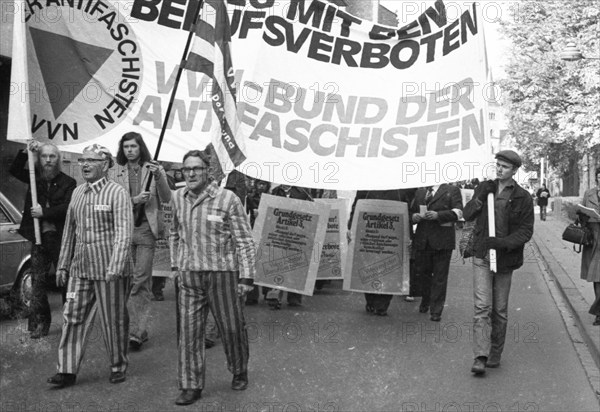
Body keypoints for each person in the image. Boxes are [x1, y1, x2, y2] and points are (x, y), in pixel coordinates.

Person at [170, 150, 256, 405]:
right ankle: (190, 385)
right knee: (189, 332)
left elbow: (244, 241)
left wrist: (246, 278)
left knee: (231, 328)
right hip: (190, 277)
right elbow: (173, 233)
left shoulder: (227, 199)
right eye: (187, 169)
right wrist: (176, 265)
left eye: (197, 168)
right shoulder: (177, 198)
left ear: (209, 172)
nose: (191, 173)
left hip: (223, 276)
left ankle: (239, 369)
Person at [47, 144, 133, 388]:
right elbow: (69, 232)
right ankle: (66, 371)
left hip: (110, 271)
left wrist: (115, 268)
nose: (84, 164)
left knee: (112, 320)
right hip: (80, 269)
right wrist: (63, 265)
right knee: (72, 317)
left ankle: (117, 366)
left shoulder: (117, 193)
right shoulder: (77, 193)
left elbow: (123, 234)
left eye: (91, 160)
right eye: (82, 160)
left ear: (105, 165)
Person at [463, 150, 534, 375]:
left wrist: (502, 243)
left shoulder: (523, 197)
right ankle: (480, 356)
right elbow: (467, 215)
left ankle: (495, 351)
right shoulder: (486, 188)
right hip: (482, 255)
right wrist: (480, 197)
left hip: (505, 259)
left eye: (504, 166)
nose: (499, 169)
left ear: (514, 170)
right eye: (498, 165)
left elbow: (526, 231)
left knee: (499, 310)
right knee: (482, 306)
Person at [9, 141, 77, 339]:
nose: (48, 160)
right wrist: (26, 151)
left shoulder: (68, 182)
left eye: (52, 156)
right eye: (44, 156)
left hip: (60, 239)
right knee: (37, 283)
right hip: (38, 239)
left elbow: (68, 207)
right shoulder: (34, 177)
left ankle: (70, 322)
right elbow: (14, 170)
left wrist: (44, 212)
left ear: (58, 159)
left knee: (65, 281)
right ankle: (41, 323)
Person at [111, 132, 171, 351]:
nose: (129, 150)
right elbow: (110, 201)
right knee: (124, 281)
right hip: (123, 231)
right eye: (126, 146)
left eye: (133, 146)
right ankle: (128, 327)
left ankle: (137, 331)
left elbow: (167, 198)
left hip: (146, 230)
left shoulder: (152, 169)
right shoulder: (114, 172)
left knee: (141, 280)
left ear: (140, 148)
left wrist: (160, 176)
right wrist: (133, 200)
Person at [348, 189, 414, 316]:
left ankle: (382, 305)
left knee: (390, 270)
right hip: (369, 235)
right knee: (368, 266)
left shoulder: (401, 190)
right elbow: (356, 208)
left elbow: (407, 213)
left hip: (391, 237)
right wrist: (351, 227)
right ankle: (371, 300)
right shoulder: (366, 187)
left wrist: (408, 235)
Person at [411, 184, 463, 322]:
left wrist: (438, 215)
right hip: (423, 241)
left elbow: (459, 213)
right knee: (423, 274)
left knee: (440, 277)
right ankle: (426, 300)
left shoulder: (452, 190)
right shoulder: (420, 191)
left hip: (442, 241)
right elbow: (411, 211)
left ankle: (436, 311)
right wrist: (414, 217)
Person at [265, 184, 312, 308]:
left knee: (295, 264)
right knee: (276, 263)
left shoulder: (303, 191)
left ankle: (294, 297)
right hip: (279, 232)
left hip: (297, 234)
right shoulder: (275, 192)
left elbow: (313, 210)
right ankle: (274, 295)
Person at [245, 179, 271, 305]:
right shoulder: (250, 197)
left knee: (267, 264)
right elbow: (245, 214)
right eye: (259, 184)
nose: (261, 186)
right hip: (254, 231)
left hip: (268, 232)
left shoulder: (272, 198)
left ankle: (268, 292)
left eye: (264, 184)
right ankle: (252, 295)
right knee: (254, 263)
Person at [580, 170, 600, 326]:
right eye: (599, 178)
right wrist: (582, 215)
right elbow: (581, 213)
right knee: (596, 277)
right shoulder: (589, 193)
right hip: (593, 239)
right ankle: (599, 313)